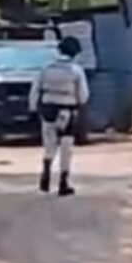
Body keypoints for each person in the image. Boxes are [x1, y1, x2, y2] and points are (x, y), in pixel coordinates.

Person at [29, 36, 89, 197]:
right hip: (67, 111)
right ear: (75, 53)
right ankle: (63, 182)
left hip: (48, 110)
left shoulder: (46, 69)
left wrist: (34, 108)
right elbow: (83, 96)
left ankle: (45, 177)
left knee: (49, 145)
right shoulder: (76, 70)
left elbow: (35, 90)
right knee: (66, 147)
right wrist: (79, 104)